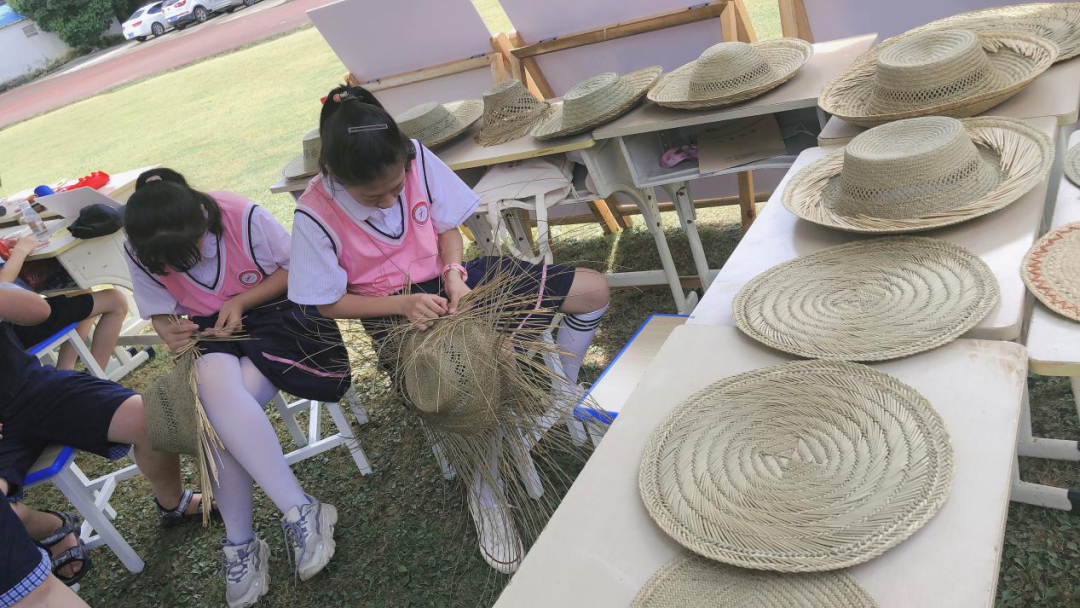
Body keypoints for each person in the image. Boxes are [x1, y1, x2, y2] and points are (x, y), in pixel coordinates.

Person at [287, 85, 610, 573]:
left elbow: (444, 228)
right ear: (333, 174)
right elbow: (328, 302)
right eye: (373, 196)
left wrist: (455, 275)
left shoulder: (413, 155)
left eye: (397, 187)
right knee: (468, 377)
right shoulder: (314, 211)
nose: (391, 199)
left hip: (452, 280)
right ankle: (485, 489)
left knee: (591, 290)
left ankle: (561, 399)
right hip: (392, 312)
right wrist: (403, 302)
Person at [122, 168, 349, 608]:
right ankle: (298, 510)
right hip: (213, 335)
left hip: (281, 316)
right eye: (164, 263)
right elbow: (160, 312)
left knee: (216, 415)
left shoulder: (242, 216)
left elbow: (299, 270)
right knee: (215, 397)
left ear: (203, 219)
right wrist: (170, 329)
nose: (173, 268)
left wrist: (240, 300)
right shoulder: (141, 246)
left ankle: (242, 541)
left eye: (184, 255)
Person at [0, 282, 208, 599]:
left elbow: (38, 311)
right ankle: (52, 528)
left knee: (150, 417)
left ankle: (173, 502)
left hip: (33, 389)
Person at [0, 233, 129, 372]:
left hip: (14, 324)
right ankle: (95, 378)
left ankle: (66, 369)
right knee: (116, 301)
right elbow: (2, 285)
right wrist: (21, 250)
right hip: (12, 329)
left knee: (81, 292)